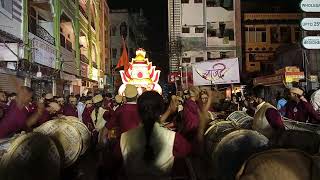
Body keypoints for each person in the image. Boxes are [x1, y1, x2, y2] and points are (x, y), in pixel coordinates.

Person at [118, 91, 192, 179]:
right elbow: (188, 152)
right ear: (161, 110)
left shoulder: (124, 138)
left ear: (138, 110)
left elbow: (114, 164)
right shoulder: (173, 138)